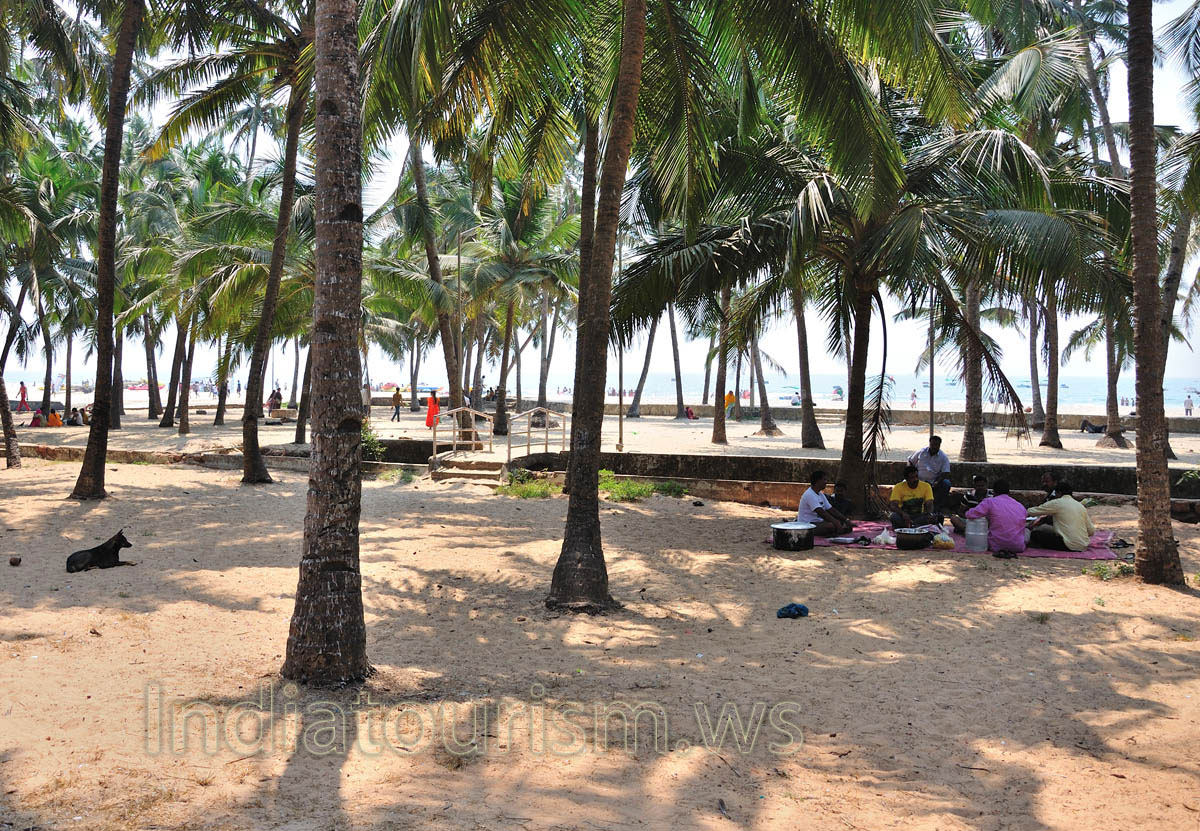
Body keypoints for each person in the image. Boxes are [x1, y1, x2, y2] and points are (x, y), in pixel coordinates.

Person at [951, 478, 1027, 554]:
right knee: (1027, 531)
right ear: (1008, 492)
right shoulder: (1020, 506)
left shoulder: (989, 501)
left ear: (994, 491)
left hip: (995, 545)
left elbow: (969, 514)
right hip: (1018, 546)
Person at [1027, 482, 1095, 552]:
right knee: (1045, 528)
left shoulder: (1057, 502)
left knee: (1035, 534)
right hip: (1083, 545)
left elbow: (1032, 511)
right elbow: (1091, 531)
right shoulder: (1080, 506)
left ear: (1058, 493)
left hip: (1068, 545)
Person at [796, 470, 853, 536]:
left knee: (841, 523)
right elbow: (822, 512)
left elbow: (831, 509)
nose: (826, 482)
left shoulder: (820, 494)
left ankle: (835, 532)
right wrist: (836, 523)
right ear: (818, 481)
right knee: (831, 526)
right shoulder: (809, 494)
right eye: (824, 480)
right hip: (807, 525)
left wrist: (846, 520)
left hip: (818, 522)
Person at [908, 435, 952, 508]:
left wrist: (937, 481)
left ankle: (936, 507)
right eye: (932, 444)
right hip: (918, 479)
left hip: (933, 482)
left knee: (946, 484)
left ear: (939, 445)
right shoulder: (921, 452)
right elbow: (911, 461)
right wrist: (912, 475)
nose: (934, 447)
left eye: (936, 445)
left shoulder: (943, 457)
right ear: (929, 444)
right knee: (904, 483)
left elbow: (945, 471)